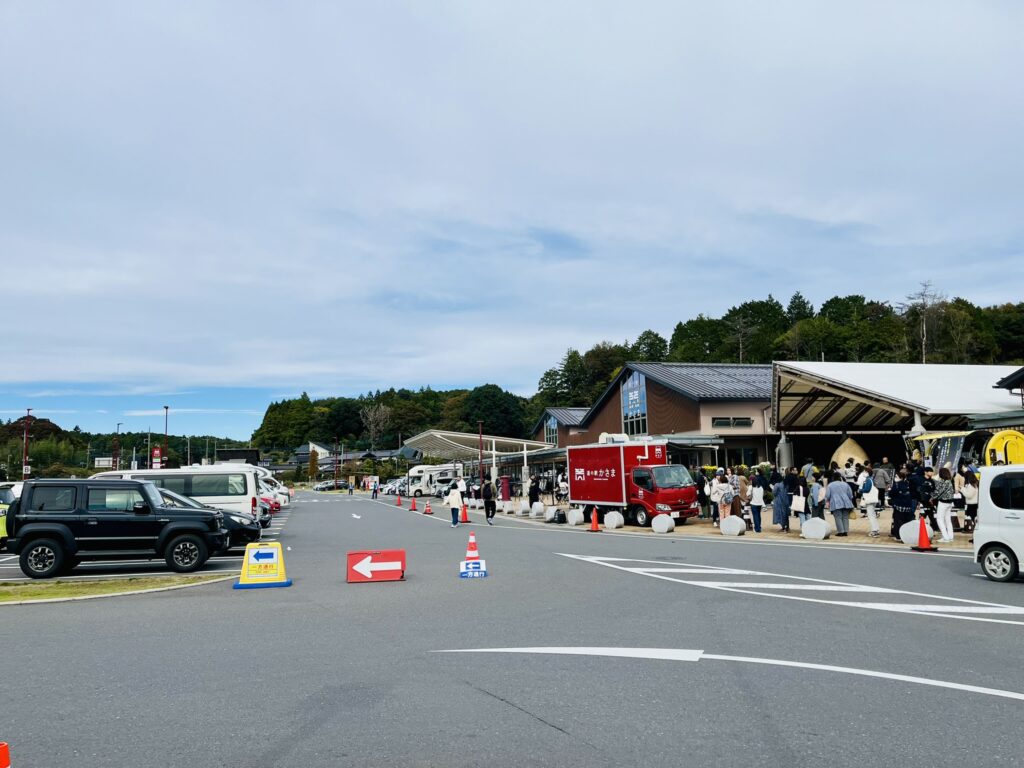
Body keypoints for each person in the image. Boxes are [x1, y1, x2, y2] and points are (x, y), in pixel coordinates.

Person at [824, 471, 855, 537]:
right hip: (846, 503)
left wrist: (827, 501)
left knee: (838, 517)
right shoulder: (845, 484)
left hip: (836, 503)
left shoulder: (830, 485)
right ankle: (846, 531)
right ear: (840, 477)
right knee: (845, 517)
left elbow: (827, 495)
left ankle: (840, 531)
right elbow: (850, 495)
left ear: (833, 478)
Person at [931, 467, 956, 543]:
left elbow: (939, 492)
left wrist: (932, 497)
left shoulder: (944, 482)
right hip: (949, 503)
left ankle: (945, 537)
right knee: (947, 519)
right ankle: (950, 536)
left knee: (939, 519)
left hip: (943, 502)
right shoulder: (949, 481)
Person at [860, 468, 880, 537]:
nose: (863, 473)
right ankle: (876, 529)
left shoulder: (868, 480)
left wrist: (860, 490)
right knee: (873, 515)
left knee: (871, 516)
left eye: (864, 471)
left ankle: (874, 531)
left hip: (869, 500)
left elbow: (867, 489)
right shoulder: (871, 479)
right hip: (873, 500)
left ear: (868, 472)